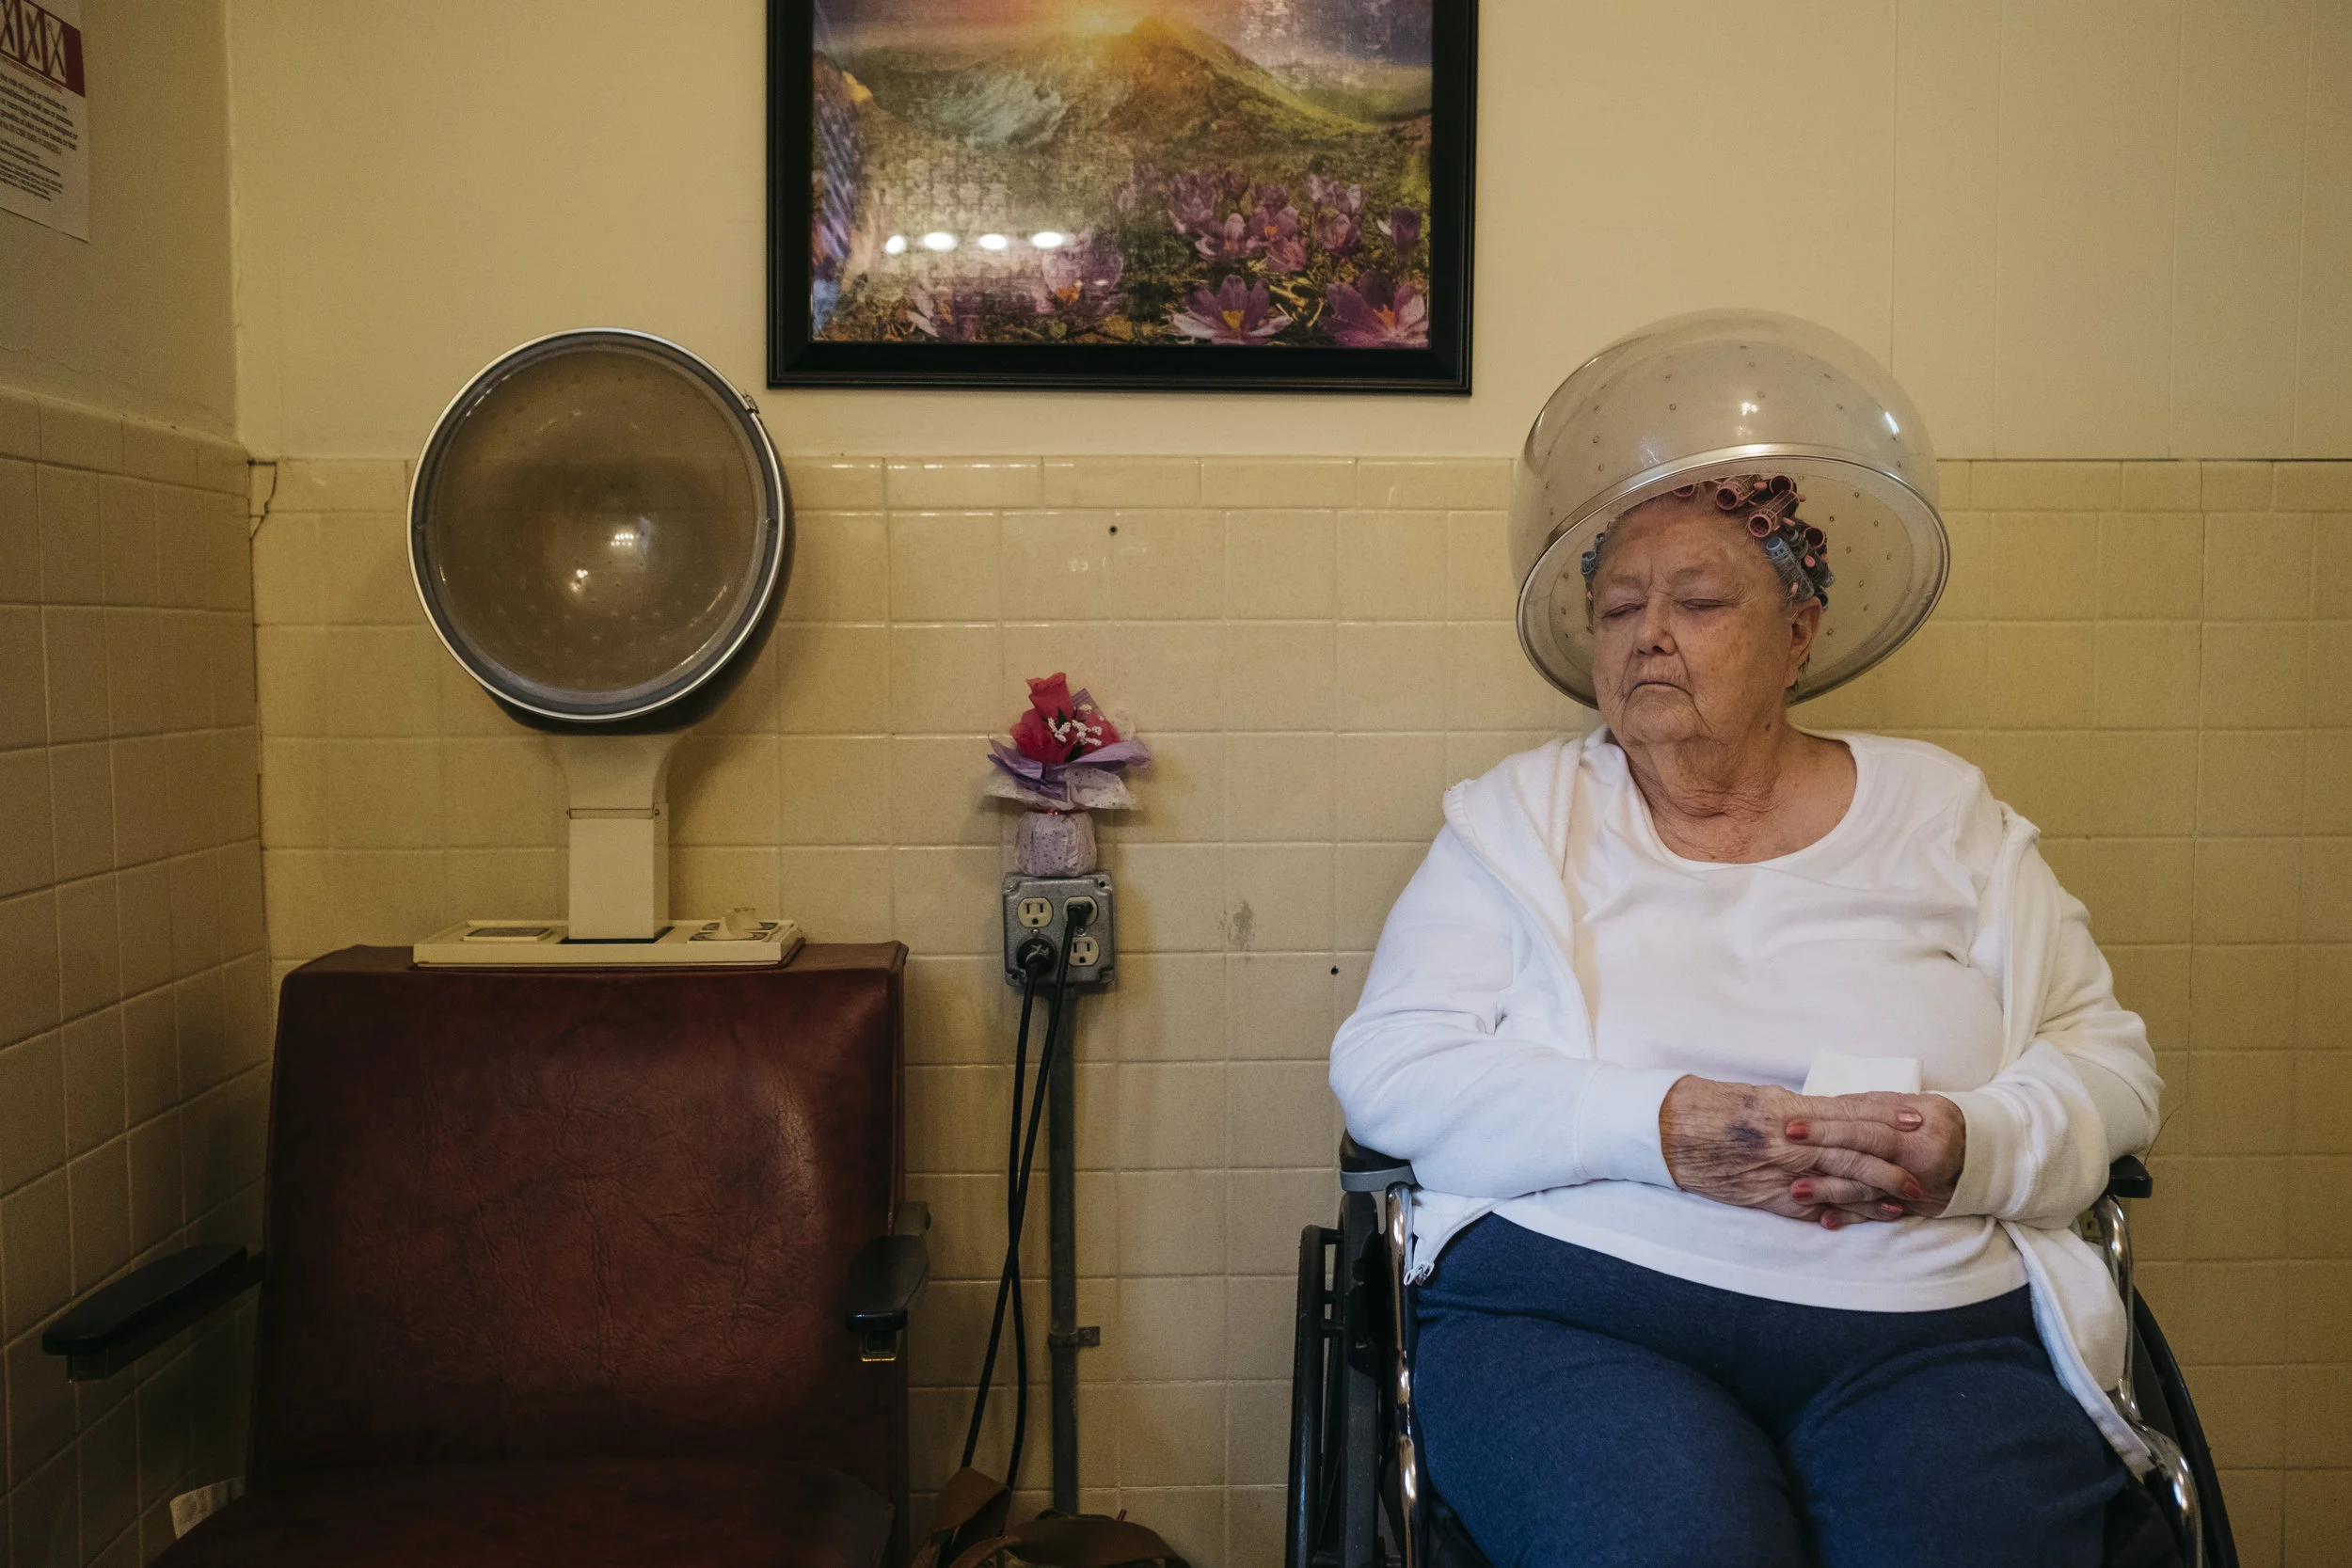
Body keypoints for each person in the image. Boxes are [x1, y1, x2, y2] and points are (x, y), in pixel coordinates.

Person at [1329, 478, 2162, 1568]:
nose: (1651, 638)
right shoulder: (1521, 819)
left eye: (1699, 603)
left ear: (1798, 633)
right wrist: (1658, 1124)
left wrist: (1976, 1146)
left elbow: (2109, 1060)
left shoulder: (1942, 812)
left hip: (1928, 1334)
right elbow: (1390, 1064)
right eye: (1620, 609)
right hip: (1580, 1312)